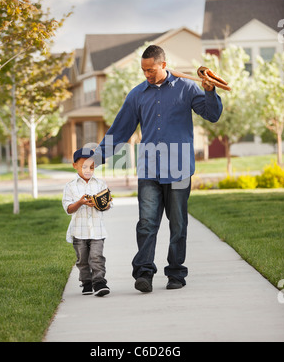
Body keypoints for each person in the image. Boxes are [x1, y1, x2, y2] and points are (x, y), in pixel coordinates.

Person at [93, 45, 223, 293]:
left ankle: (176, 273)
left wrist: (210, 91)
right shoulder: (137, 95)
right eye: (143, 70)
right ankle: (144, 273)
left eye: (151, 70)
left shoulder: (187, 88)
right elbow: (120, 129)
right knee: (146, 223)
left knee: (178, 225)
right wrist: (97, 157)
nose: (147, 75)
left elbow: (212, 114)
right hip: (150, 169)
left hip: (179, 169)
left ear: (164, 65)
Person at [62, 147, 111, 297]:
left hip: (97, 230)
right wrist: (80, 202)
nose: (88, 170)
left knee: (97, 257)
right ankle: (86, 282)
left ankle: (99, 282)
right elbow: (68, 209)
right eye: (84, 166)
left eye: (91, 166)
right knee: (82, 260)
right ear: (75, 166)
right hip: (79, 231)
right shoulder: (70, 186)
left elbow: (107, 205)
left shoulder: (101, 184)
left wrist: (100, 203)